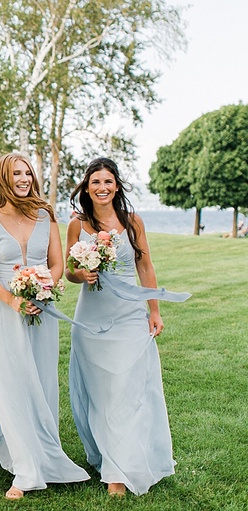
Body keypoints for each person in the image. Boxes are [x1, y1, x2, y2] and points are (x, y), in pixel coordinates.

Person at [0, 153, 89, 500]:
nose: (23, 179)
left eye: (27, 173)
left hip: (41, 311)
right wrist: (12, 300)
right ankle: (25, 470)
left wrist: (43, 287)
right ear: (3, 180)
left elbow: (56, 263)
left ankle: (42, 455)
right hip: (3, 314)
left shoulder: (46, 215)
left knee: (40, 381)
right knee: (10, 384)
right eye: (16, 174)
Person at [66, 157, 175, 496]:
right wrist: (82, 273)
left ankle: (119, 472)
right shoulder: (77, 224)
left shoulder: (132, 222)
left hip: (129, 313)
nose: (102, 187)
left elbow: (146, 267)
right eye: (95, 181)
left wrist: (154, 311)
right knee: (102, 393)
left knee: (126, 391)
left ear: (116, 186)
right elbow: (69, 271)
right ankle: (108, 455)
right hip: (92, 318)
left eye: (108, 181)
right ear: (87, 186)